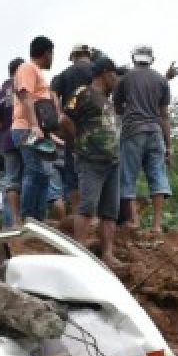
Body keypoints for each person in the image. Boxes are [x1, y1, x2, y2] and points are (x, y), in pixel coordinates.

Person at [61, 57, 123, 270]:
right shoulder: (83, 93)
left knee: (110, 211)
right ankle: (77, 250)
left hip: (113, 161)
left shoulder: (107, 99)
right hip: (91, 160)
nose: (116, 78)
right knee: (87, 206)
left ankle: (108, 254)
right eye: (114, 74)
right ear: (105, 72)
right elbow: (64, 119)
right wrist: (78, 140)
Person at [114, 44, 173, 232]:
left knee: (128, 176)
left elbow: (117, 107)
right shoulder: (161, 81)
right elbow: (164, 115)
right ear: (152, 60)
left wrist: (129, 112)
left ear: (133, 59)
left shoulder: (125, 79)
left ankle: (134, 221)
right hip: (155, 131)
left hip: (133, 131)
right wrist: (169, 146)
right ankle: (157, 225)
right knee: (157, 176)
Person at [12, 36, 58, 222]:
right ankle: (27, 219)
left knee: (44, 174)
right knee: (34, 171)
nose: (52, 58)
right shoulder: (27, 68)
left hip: (37, 130)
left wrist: (48, 133)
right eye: (52, 54)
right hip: (26, 129)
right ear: (46, 53)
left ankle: (39, 220)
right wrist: (34, 126)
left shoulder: (36, 71)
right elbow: (25, 96)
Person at [50, 43, 94, 215]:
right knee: (97, 173)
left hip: (72, 129)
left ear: (73, 56)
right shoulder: (99, 71)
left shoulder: (64, 75)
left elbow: (52, 96)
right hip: (99, 130)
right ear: (88, 55)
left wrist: (60, 116)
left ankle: (78, 216)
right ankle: (95, 217)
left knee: (73, 174)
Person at [0, 57, 24, 226]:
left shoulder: (0, 94)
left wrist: (6, 124)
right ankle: (28, 221)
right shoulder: (27, 87)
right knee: (30, 178)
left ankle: (12, 223)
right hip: (27, 138)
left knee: (11, 180)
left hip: (7, 141)